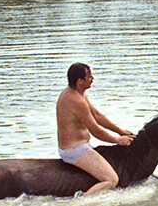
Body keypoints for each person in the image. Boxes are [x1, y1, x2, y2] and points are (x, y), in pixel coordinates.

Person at [55, 62, 134, 195]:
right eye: (89, 76)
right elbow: (95, 130)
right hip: (74, 150)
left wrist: (119, 131)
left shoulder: (78, 93)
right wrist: (117, 140)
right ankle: (82, 201)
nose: (93, 78)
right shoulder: (76, 100)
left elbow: (97, 115)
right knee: (111, 180)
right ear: (80, 81)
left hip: (80, 146)